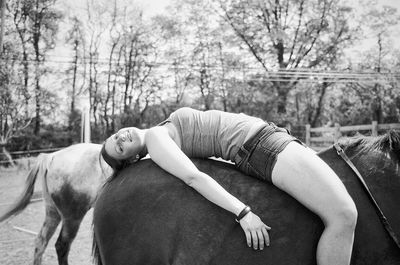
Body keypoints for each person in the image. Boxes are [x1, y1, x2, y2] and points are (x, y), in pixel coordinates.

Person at [101, 107, 357, 265]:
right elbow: (194, 177)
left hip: (267, 139)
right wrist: (243, 213)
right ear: (133, 159)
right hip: (262, 148)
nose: (121, 138)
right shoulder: (156, 140)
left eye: (116, 137)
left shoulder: (159, 131)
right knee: (343, 216)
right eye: (120, 148)